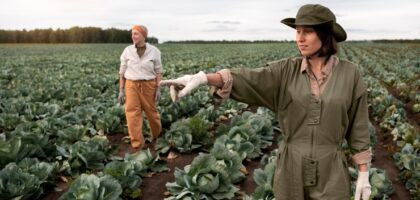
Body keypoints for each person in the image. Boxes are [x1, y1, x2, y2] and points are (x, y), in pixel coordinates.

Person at [160, 4, 372, 200]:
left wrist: (363, 173)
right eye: (297, 31)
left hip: (331, 170)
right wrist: (205, 78)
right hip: (291, 168)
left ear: (325, 35)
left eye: (307, 32)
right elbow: (249, 78)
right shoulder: (284, 71)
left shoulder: (349, 74)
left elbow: (359, 127)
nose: (300, 38)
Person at [118, 25, 162, 150]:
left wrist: (159, 88)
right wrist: (121, 89)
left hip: (149, 85)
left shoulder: (154, 51)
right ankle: (137, 145)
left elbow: (158, 71)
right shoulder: (127, 50)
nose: (133, 36)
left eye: (136, 34)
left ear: (143, 35)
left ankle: (157, 137)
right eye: (132, 33)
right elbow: (122, 72)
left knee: (152, 113)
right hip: (131, 85)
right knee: (132, 114)